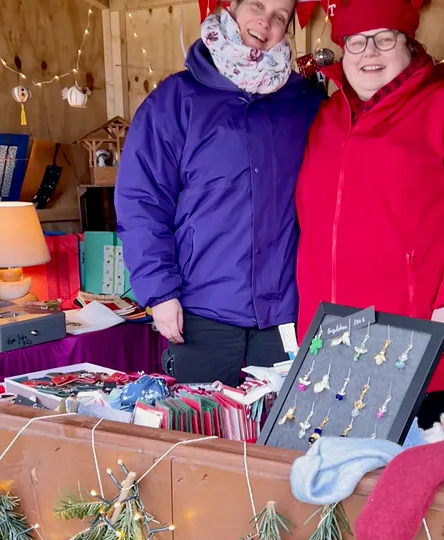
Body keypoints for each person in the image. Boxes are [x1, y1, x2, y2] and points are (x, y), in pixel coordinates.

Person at [295, 0, 444, 428]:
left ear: (408, 43)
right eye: (356, 43)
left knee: (434, 484)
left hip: (427, 342)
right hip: (339, 347)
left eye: (384, 39)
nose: (370, 53)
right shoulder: (326, 120)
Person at [115, 0, 323, 386]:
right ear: (231, 8)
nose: (265, 22)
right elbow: (142, 203)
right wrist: (159, 292)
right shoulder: (175, 101)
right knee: (198, 437)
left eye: (280, 16)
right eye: (257, 5)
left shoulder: (305, 105)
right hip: (199, 311)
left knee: (276, 439)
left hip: (284, 315)